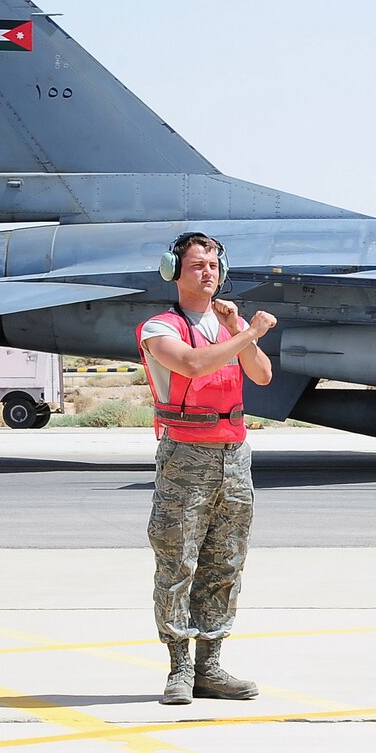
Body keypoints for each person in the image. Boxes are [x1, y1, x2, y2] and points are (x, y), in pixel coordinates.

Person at [137, 231, 276, 705]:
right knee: (177, 561)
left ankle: (210, 666)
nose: (209, 272)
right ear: (172, 271)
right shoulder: (161, 328)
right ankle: (179, 668)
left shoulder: (227, 327)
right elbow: (193, 366)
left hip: (233, 453)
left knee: (224, 561)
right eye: (197, 265)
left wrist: (239, 332)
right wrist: (248, 333)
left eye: (214, 264)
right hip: (186, 453)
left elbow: (261, 375)